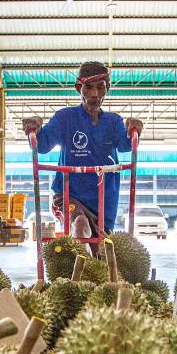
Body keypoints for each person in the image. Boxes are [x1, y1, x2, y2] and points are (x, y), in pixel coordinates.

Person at [23, 61, 143, 252]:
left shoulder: (113, 122)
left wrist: (134, 129)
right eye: (88, 87)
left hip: (104, 201)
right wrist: (34, 128)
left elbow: (126, 145)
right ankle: (79, 273)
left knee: (101, 254)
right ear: (79, 88)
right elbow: (43, 146)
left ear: (107, 89)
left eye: (100, 88)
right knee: (79, 226)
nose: (94, 94)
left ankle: (88, 272)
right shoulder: (65, 118)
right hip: (70, 195)